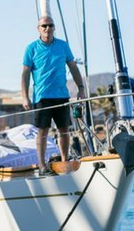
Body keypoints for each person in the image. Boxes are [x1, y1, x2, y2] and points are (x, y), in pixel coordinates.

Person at [21, 15, 86, 175]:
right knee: (43, 131)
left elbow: (73, 67)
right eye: (44, 26)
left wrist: (81, 88)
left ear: (54, 28)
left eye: (50, 25)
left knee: (64, 129)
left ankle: (65, 161)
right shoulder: (31, 48)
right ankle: (42, 165)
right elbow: (25, 74)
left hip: (61, 95)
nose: (47, 29)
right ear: (39, 29)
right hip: (42, 97)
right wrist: (25, 96)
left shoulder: (63, 46)